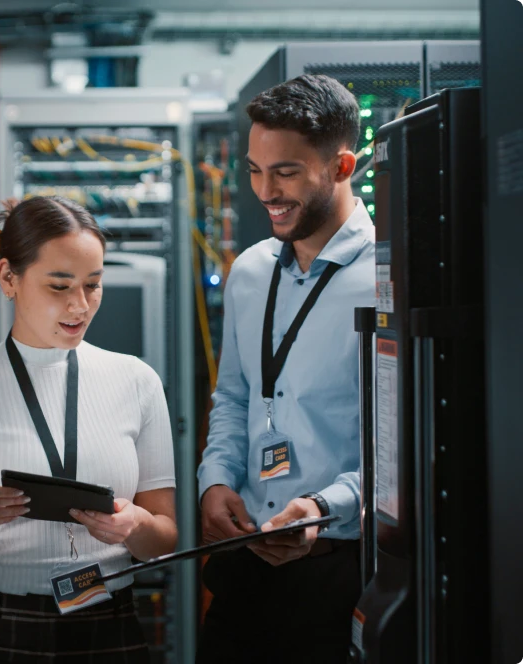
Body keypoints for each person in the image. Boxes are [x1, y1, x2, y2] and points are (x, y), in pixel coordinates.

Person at [0, 195, 178, 664]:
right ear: (8, 278)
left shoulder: (137, 382)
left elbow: (164, 537)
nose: (80, 305)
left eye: (93, 285)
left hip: (107, 622)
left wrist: (134, 525)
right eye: (59, 286)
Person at [196, 74, 375, 663]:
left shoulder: (387, 276)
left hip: (337, 568)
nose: (264, 191)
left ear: (342, 166)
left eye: (286, 172)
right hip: (245, 563)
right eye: (254, 169)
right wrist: (216, 480)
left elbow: (400, 451)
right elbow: (234, 398)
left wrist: (326, 508)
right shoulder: (250, 272)